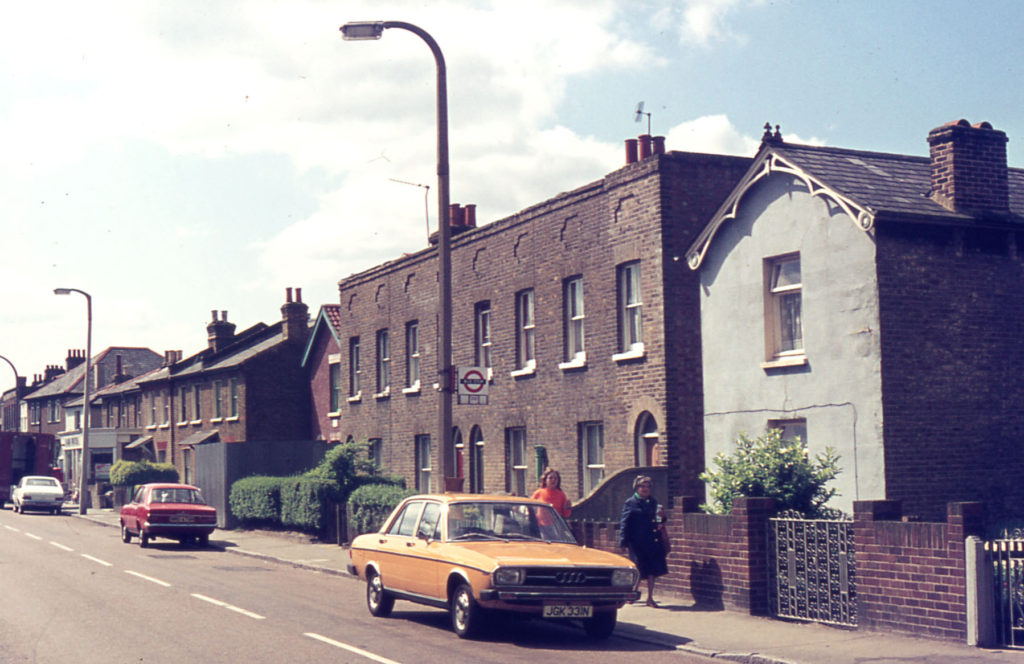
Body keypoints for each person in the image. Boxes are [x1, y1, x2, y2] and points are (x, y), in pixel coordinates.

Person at [618, 475, 668, 607]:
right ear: (636, 488)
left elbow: (659, 521)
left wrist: (662, 518)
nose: (645, 489)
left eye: (648, 486)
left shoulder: (653, 502)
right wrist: (623, 541)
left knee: (652, 570)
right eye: (642, 486)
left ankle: (650, 598)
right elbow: (624, 523)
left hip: (652, 541)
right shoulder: (630, 503)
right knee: (639, 569)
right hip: (637, 543)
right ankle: (633, 593)